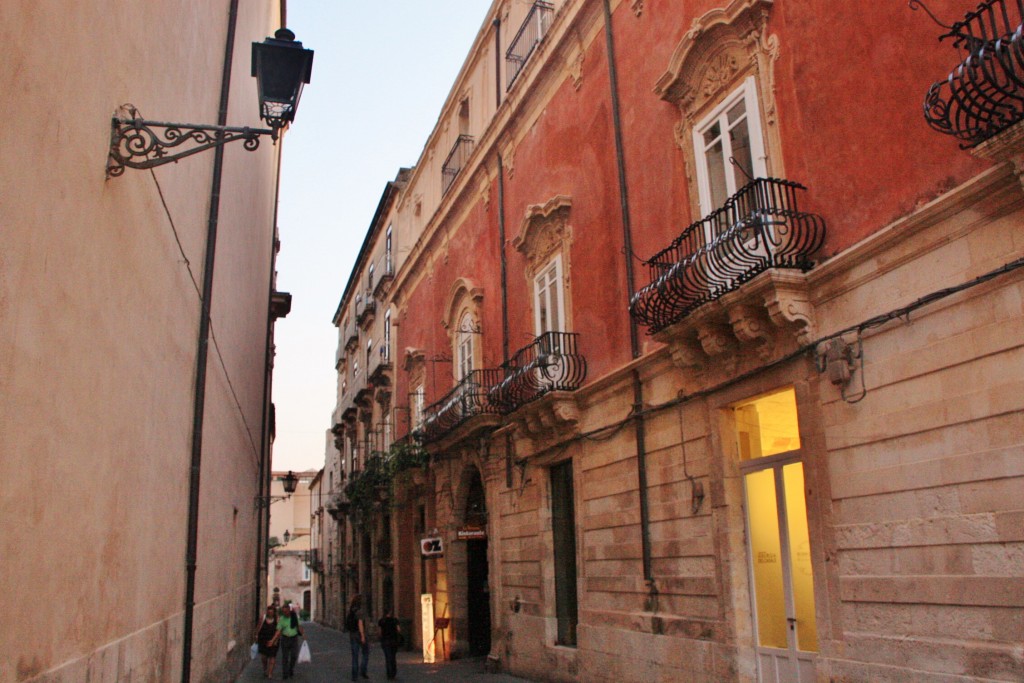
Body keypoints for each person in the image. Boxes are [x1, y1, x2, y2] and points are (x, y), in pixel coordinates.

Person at [276, 602, 304, 679]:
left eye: (286, 611)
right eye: (283, 612)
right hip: (285, 639)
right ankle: (285, 673)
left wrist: (303, 634)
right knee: (285, 657)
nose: (285, 613)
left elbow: (299, 626)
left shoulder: (294, 617)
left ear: (289, 610)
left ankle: (291, 668)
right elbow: (278, 630)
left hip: (294, 638)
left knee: (294, 656)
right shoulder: (282, 619)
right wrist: (273, 640)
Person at [345, 595, 369, 681]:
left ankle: (354, 675)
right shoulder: (360, 611)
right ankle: (363, 671)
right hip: (359, 634)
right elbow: (360, 624)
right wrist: (362, 636)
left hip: (352, 634)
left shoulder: (351, 610)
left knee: (355, 656)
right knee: (365, 653)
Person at [255, 605, 279, 679]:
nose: (270, 613)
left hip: (273, 640)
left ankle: (270, 673)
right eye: (269, 612)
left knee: (272, 656)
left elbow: (279, 630)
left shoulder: (277, 619)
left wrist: (275, 640)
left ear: (274, 612)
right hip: (263, 640)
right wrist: (256, 636)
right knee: (264, 657)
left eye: (271, 612)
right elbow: (258, 627)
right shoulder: (263, 618)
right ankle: (265, 669)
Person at [377, 609, 401, 680]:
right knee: (393, 657)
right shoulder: (395, 620)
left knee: (388, 657)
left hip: (385, 641)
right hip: (394, 641)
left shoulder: (382, 621)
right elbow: (399, 630)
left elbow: (379, 632)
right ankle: (393, 672)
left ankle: (389, 674)